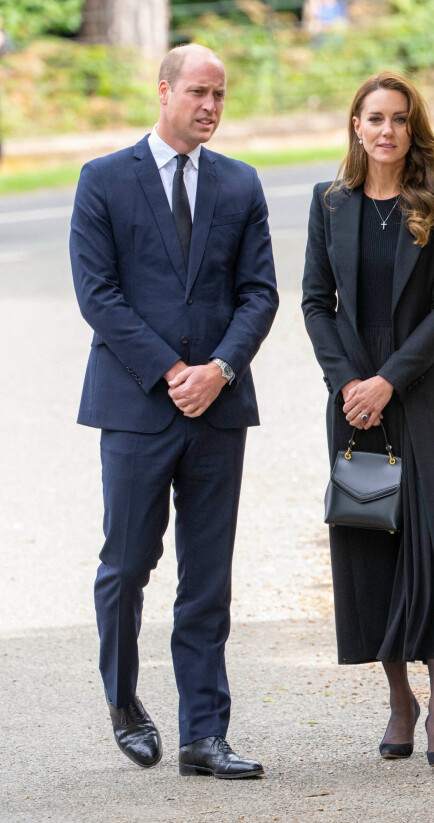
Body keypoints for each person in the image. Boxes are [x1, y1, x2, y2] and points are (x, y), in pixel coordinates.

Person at [70, 43, 278, 779]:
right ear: (163, 91)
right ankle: (124, 699)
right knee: (126, 566)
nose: (211, 107)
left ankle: (204, 733)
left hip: (219, 409)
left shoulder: (241, 184)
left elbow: (261, 293)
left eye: (220, 95)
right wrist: (170, 371)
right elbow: (98, 296)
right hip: (134, 406)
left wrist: (219, 369)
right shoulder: (102, 181)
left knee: (207, 578)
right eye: (198, 92)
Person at [302, 71, 434, 769]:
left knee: (430, 545)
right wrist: (351, 385)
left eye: (400, 119)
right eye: (375, 117)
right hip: (352, 403)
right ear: (355, 126)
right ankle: (398, 699)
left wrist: (387, 381)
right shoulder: (329, 202)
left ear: (413, 128)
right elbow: (316, 300)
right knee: (371, 545)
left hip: (420, 393)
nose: (387, 130)